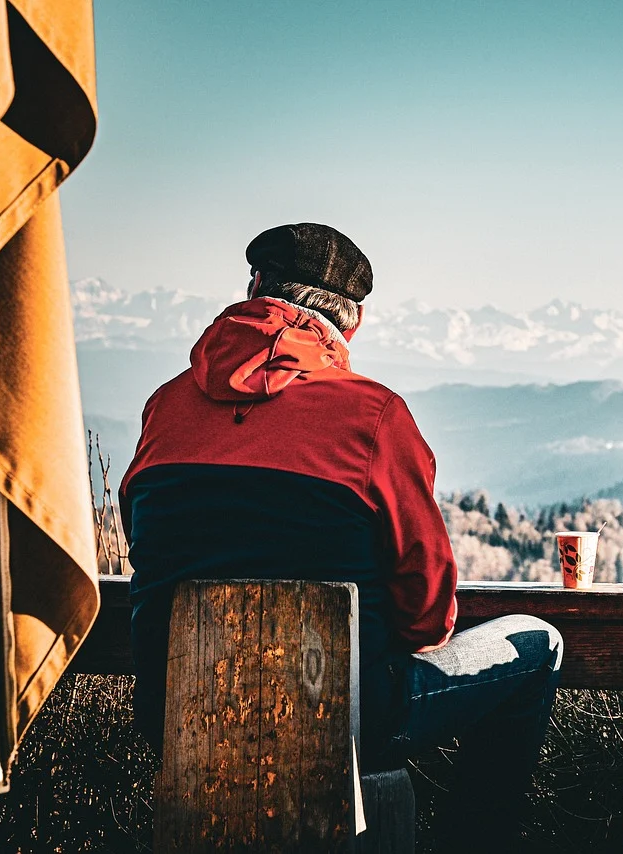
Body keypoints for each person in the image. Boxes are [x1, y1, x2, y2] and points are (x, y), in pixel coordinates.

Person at [120, 223, 562, 849]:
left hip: (177, 713)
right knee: (538, 643)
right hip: (347, 719)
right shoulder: (375, 416)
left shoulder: (165, 406)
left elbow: (142, 542)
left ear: (254, 288)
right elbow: (429, 609)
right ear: (351, 325)